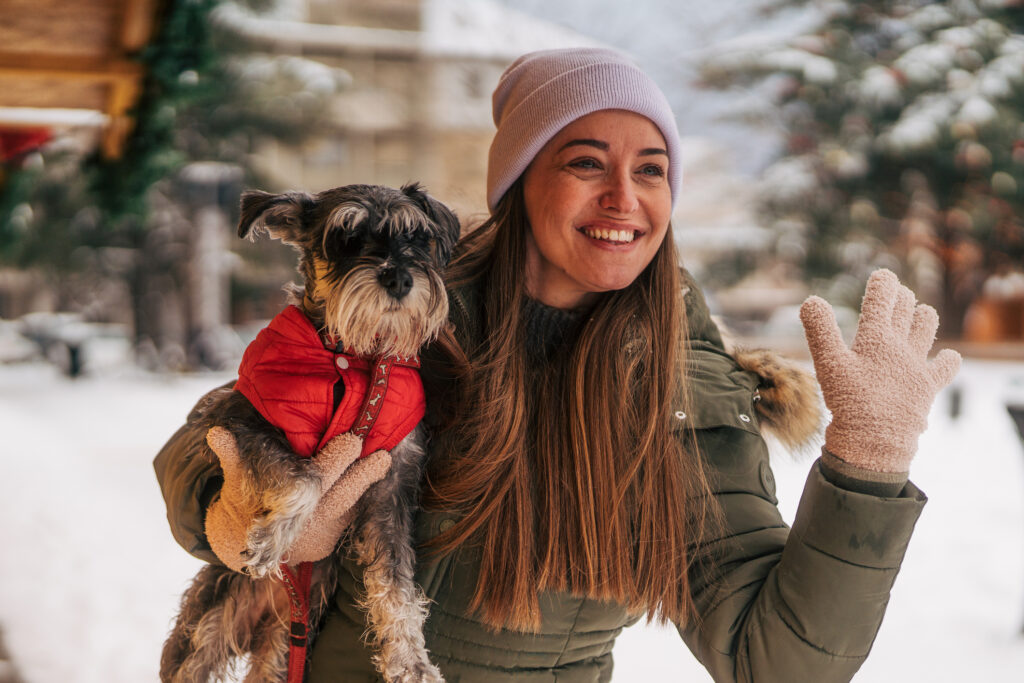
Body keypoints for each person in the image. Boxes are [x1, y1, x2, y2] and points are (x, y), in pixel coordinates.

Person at [154, 48, 961, 682]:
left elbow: (778, 662)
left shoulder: (683, 379)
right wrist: (231, 508)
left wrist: (867, 466)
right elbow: (223, 432)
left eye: (651, 168)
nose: (624, 196)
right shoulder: (413, 310)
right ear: (519, 183)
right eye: (584, 162)